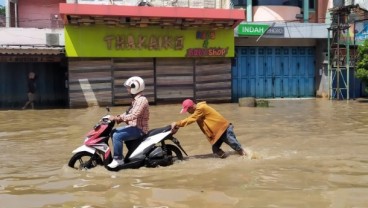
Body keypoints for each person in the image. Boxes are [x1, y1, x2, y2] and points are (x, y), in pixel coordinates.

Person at [171, 99, 246, 158]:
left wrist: (177, 124)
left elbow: (191, 119)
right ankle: (229, 160)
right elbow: (192, 119)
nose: (187, 112)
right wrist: (177, 126)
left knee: (236, 146)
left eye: (187, 110)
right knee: (216, 150)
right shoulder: (198, 110)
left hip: (224, 129)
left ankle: (246, 156)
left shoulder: (200, 108)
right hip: (217, 133)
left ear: (191, 107)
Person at [107, 76, 150, 168]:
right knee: (113, 131)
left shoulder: (142, 100)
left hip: (139, 129)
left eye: (129, 87)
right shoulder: (136, 100)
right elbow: (128, 113)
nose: (127, 89)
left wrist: (119, 119)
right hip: (134, 127)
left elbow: (134, 115)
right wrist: (117, 117)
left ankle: (118, 159)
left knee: (117, 135)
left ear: (135, 87)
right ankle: (121, 156)